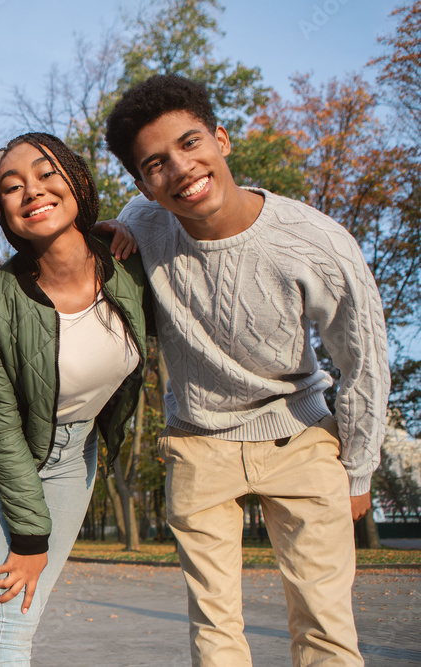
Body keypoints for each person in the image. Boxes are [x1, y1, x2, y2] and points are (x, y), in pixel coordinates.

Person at [103, 73, 389, 666]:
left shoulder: (314, 243)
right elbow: (130, 216)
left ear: (222, 139)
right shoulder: (147, 222)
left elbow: (363, 358)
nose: (179, 169)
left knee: (325, 624)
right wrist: (123, 228)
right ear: (143, 184)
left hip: (300, 437)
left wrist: (359, 470)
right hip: (200, 444)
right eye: (155, 164)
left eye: (190, 144)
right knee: (215, 628)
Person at [0, 132, 150, 665]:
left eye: (47, 174)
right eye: (11, 187)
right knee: (8, 615)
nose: (31, 191)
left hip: (75, 455)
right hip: (1, 462)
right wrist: (28, 536)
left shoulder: (128, 266)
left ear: (77, 181)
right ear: (2, 212)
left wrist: (125, 224)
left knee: (28, 608)